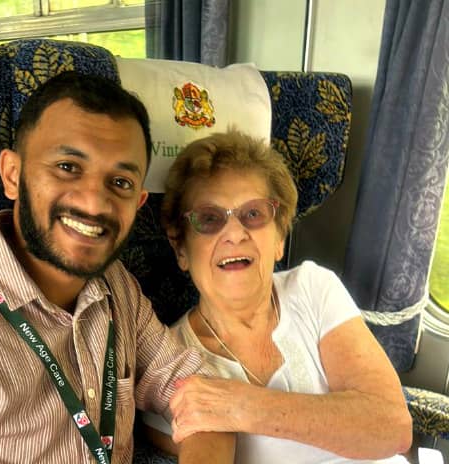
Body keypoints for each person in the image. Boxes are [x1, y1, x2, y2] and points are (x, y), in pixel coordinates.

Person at [0, 71, 234, 463]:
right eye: (68, 167)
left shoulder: (117, 288)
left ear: (138, 203)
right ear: (13, 175)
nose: (94, 204)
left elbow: (204, 398)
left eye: (119, 182)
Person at [142, 130, 413, 463]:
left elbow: (391, 428)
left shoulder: (313, 288)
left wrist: (240, 406)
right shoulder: (169, 362)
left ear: (280, 237)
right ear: (181, 248)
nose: (235, 233)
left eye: (253, 214)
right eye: (209, 219)